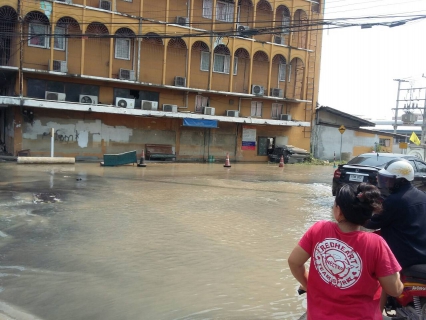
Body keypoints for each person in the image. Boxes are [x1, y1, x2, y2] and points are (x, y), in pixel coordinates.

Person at [288, 183, 403, 320]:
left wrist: (310, 286)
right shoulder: (376, 243)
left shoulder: (319, 229)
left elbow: (294, 262)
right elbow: (394, 290)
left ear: (339, 211)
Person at [364, 158, 426, 268]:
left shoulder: (395, 200)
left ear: (400, 181)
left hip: (403, 257)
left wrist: (361, 209)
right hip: (420, 253)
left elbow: (371, 223)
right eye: (385, 179)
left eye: (389, 179)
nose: (386, 182)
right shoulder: (422, 195)